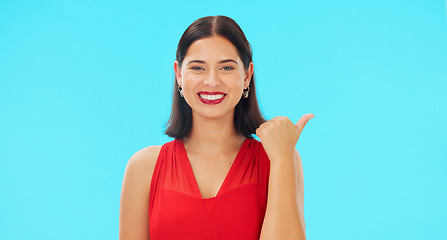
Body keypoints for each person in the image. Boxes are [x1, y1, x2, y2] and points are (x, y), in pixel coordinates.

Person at [119, 15, 314, 240]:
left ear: (247, 75)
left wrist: (282, 160)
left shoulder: (278, 159)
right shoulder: (144, 167)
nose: (212, 81)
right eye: (198, 68)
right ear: (179, 74)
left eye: (226, 67)